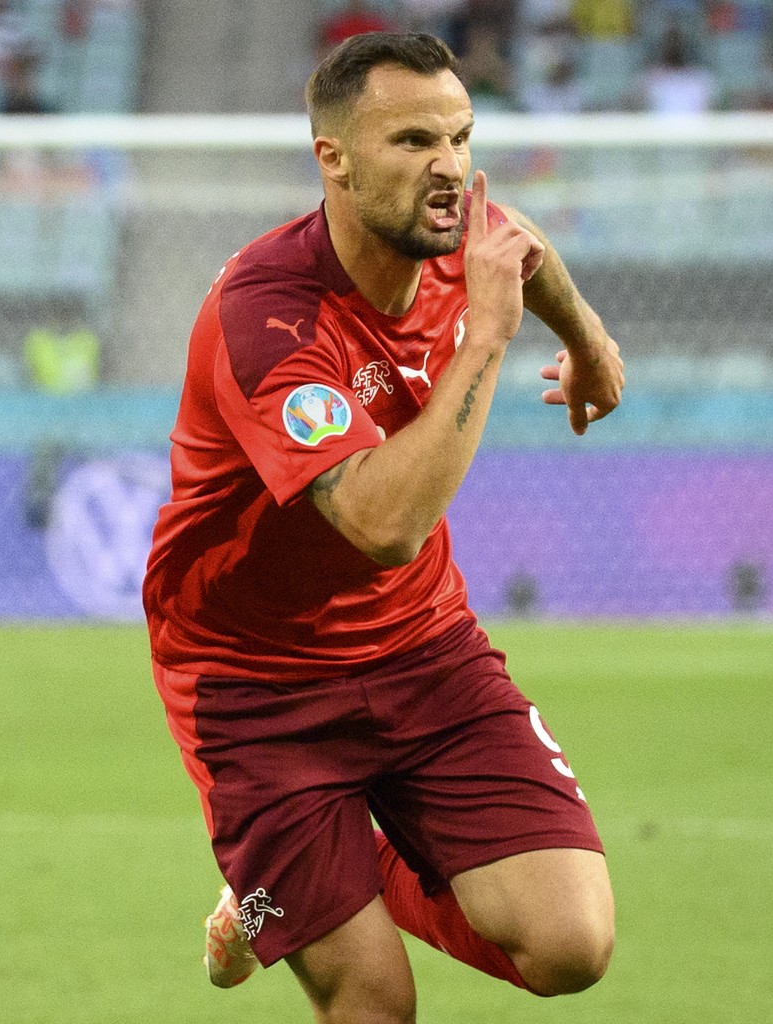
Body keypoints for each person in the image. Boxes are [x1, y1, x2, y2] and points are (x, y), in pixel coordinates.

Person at [142, 32, 624, 1021]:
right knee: (374, 1001)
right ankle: (290, 883)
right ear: (336, 159)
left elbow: (522, 246)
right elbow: (381, 523)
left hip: (421, 647)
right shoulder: (268, 319)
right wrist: (490, 334)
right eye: (411, 141)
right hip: (254, 685)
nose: (448, 165)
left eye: (459, 136)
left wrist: (588, 342)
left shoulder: (460, 236)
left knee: (572, 947)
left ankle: (334, 866)